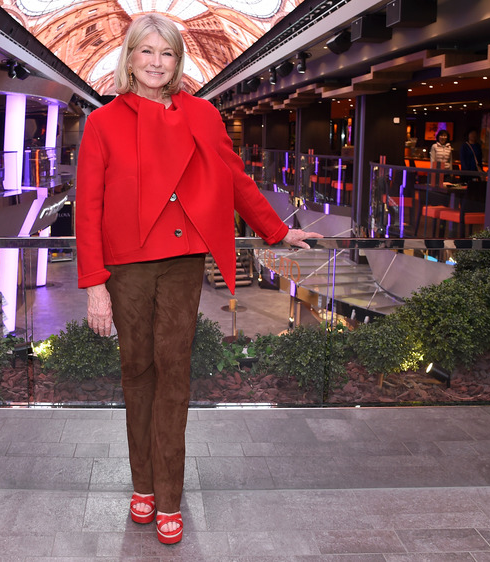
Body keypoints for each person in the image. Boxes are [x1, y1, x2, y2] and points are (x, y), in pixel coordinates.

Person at [75, 13, 320, 546]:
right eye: (146, 52)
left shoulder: (203, 114)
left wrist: (276, 230)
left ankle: (169, 495)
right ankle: (142, 484)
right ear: (130, 58)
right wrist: (95, 284)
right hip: (127, 265)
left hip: (184, 258)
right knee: (136, 372)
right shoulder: (103, 122)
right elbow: (87, 208)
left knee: (174, 373)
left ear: (177, 61)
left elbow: (234, 178)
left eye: (166, 53)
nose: (156, 63)